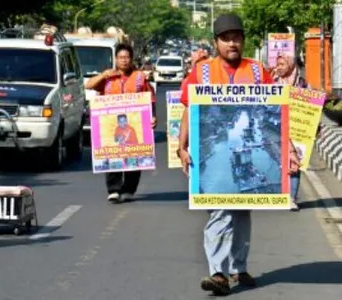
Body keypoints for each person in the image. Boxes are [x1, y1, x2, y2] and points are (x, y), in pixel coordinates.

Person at [177, 14, 300, 295]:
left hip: (245, 146)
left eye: (236, 37)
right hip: (218, 154)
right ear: (216, 42)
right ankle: (218, 272)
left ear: (243, 40)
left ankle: (238, 267)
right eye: (225, 38)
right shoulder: (201, 72)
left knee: (242, 211)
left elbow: (274, 113)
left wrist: (288, 149)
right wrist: (181, 147)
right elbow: (189, 109)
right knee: (220, 210)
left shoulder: (258, 72)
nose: (232, 43)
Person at [86, 43, 156, 203]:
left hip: (134, 124)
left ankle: (129, 190)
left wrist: (153, 117)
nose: (124, 61)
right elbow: (89, 85)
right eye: (121, 58)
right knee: (112, 154)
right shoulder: (108, 78)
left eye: (127, 57)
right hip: (113, 124)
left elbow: (150, 98)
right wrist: (103, 75)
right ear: (115, 59)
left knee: (134, 156)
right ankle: (114, 189)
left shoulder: (140, 77)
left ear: (131, 59)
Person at [274, 52, 310, 211]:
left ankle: (292, 197)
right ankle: (279, 194)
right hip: (277, 126)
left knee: (296, 163)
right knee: (280, 161)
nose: (279, 68)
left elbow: (311, 107)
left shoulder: (302, 83)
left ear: (290, 64)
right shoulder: (273, 82)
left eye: (282, 64)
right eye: (278, 64)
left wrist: (315, 127)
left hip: (297, 128)